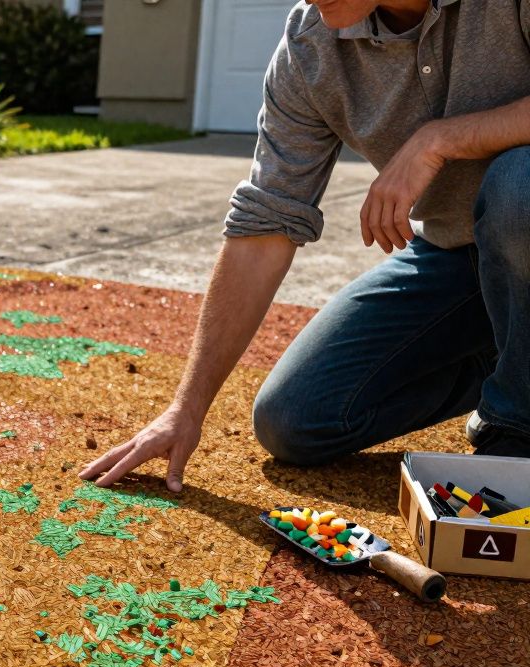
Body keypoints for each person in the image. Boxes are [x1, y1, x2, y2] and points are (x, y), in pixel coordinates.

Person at [81, 0, 530, 493]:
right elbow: (266, 220)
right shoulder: (310, 43)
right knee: (295, 419)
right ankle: (514, 362)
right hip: (456, 255)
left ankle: (515, 428)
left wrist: (440, 139)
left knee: (518, 187)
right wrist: (185, 409)